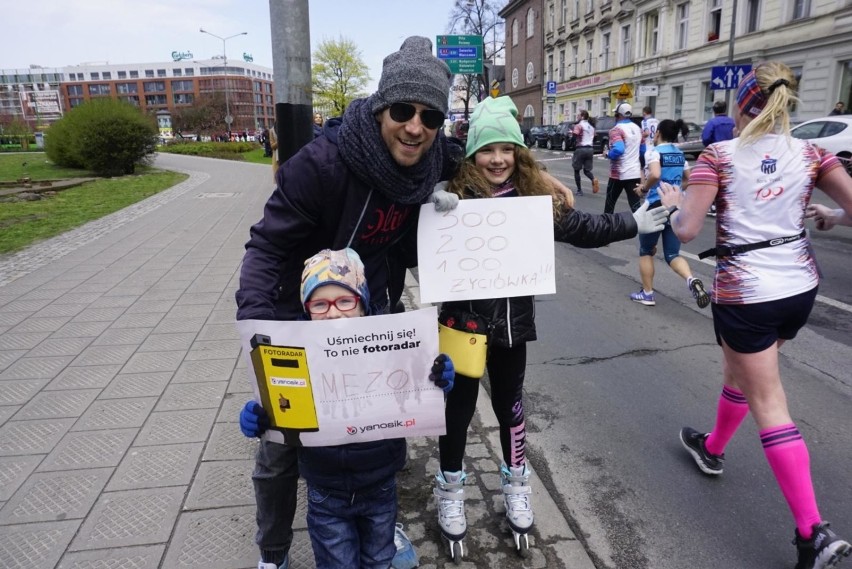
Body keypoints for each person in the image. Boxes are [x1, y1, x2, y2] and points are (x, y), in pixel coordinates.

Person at [235, 36, 461, 569]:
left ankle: (380, 520)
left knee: (380, 423)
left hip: (369, 306)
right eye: (403, 110)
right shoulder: (323, 165)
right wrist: (260, 330)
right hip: (303, 309)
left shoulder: (430, 158)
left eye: (430, 117)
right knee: (280, 447)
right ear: (382, 108)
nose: (415, 126)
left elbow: (490, 156)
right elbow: (267, 245)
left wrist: (451, 200)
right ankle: (273, 554)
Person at [434, 96, 668, 560]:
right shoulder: (455, 197)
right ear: (472, 154)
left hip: (512, 329)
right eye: (486, 150)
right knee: (456, 412)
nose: (497, 159)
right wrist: (436, 210)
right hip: (461, 327)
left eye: (506, 149)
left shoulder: (532, 198)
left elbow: (582, 227)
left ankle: (516, 482)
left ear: (518, 153)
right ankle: (451, 489)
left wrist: (632, 222)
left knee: (511, 407)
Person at [658, 61, 852, 569]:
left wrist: (674, 202)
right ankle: (713, 447)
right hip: (800, 288)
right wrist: (832, 215)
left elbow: (684, 231)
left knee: (768, 398)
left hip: (747, 293)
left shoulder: (718, 156)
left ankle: (814, 532)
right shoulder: (813, 153)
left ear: (744, 104)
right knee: (741, 371)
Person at [240, 248, 455, 569]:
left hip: (380, 484)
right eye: (319, 304)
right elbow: (277, 405)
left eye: (344, 301)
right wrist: (257, 419)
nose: (333, 313)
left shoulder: (391, 346)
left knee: (379, 559)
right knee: (336, 562)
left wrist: (440, 380)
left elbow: (420, 395)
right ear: (306, 310)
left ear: (363, 305)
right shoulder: (296, 355)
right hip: (325, 490)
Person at [630, 119, 709, 308]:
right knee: (672, 253)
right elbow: (689, 180)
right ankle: (691, 280)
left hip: (655, 205)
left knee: (646, 250)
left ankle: (647, 294)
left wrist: (643, 188)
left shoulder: (655, 153)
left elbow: (655, 174)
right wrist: (675, 188)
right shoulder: (680, 155)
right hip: (675, 206)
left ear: (657, 133)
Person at [604, 102, 643, 214]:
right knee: (636, 206)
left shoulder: (616, 130)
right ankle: (642, 228)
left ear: (619, 115)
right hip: (634, 173)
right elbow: (643, 150)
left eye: (615, 114)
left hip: (618, 174)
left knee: (610, 205)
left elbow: (618, 150)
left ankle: (607, 229)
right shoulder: (638, 129)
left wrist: (608, 154)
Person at [571, 109, 600, 196]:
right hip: (590, 149)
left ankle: (579, 190)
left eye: (578, 115)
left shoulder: (579, 126)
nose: (577, 116)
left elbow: (574, 136)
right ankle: (593, 179)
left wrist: (572, 144)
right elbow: (595, 138)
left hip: (581, 148)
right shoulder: (591, 127)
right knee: (587, 170)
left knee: (576, 170)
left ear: (582, 116)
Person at [640, 105, 659, 170]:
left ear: (644, 112)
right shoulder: (656, 120)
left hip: (647, 146)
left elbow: (646, 133)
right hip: (655, 145)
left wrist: (640, 135)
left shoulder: (644, 121)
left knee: (647, 167)